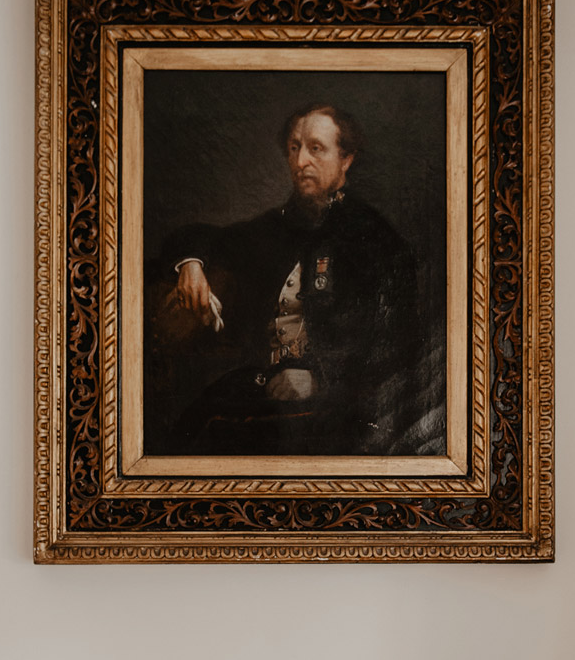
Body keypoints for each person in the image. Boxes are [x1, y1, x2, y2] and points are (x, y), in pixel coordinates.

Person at [155, 103, 427, 456]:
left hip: (335, 410)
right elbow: (200, 238)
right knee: (188, 436)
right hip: (259, 388)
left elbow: (395, 343)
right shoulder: (275, 228)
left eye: (316, 148)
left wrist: (319, 378)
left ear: (346, 159)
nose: (300, 163)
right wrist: (191, 264)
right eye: (295, 148)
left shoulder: (376, 240)